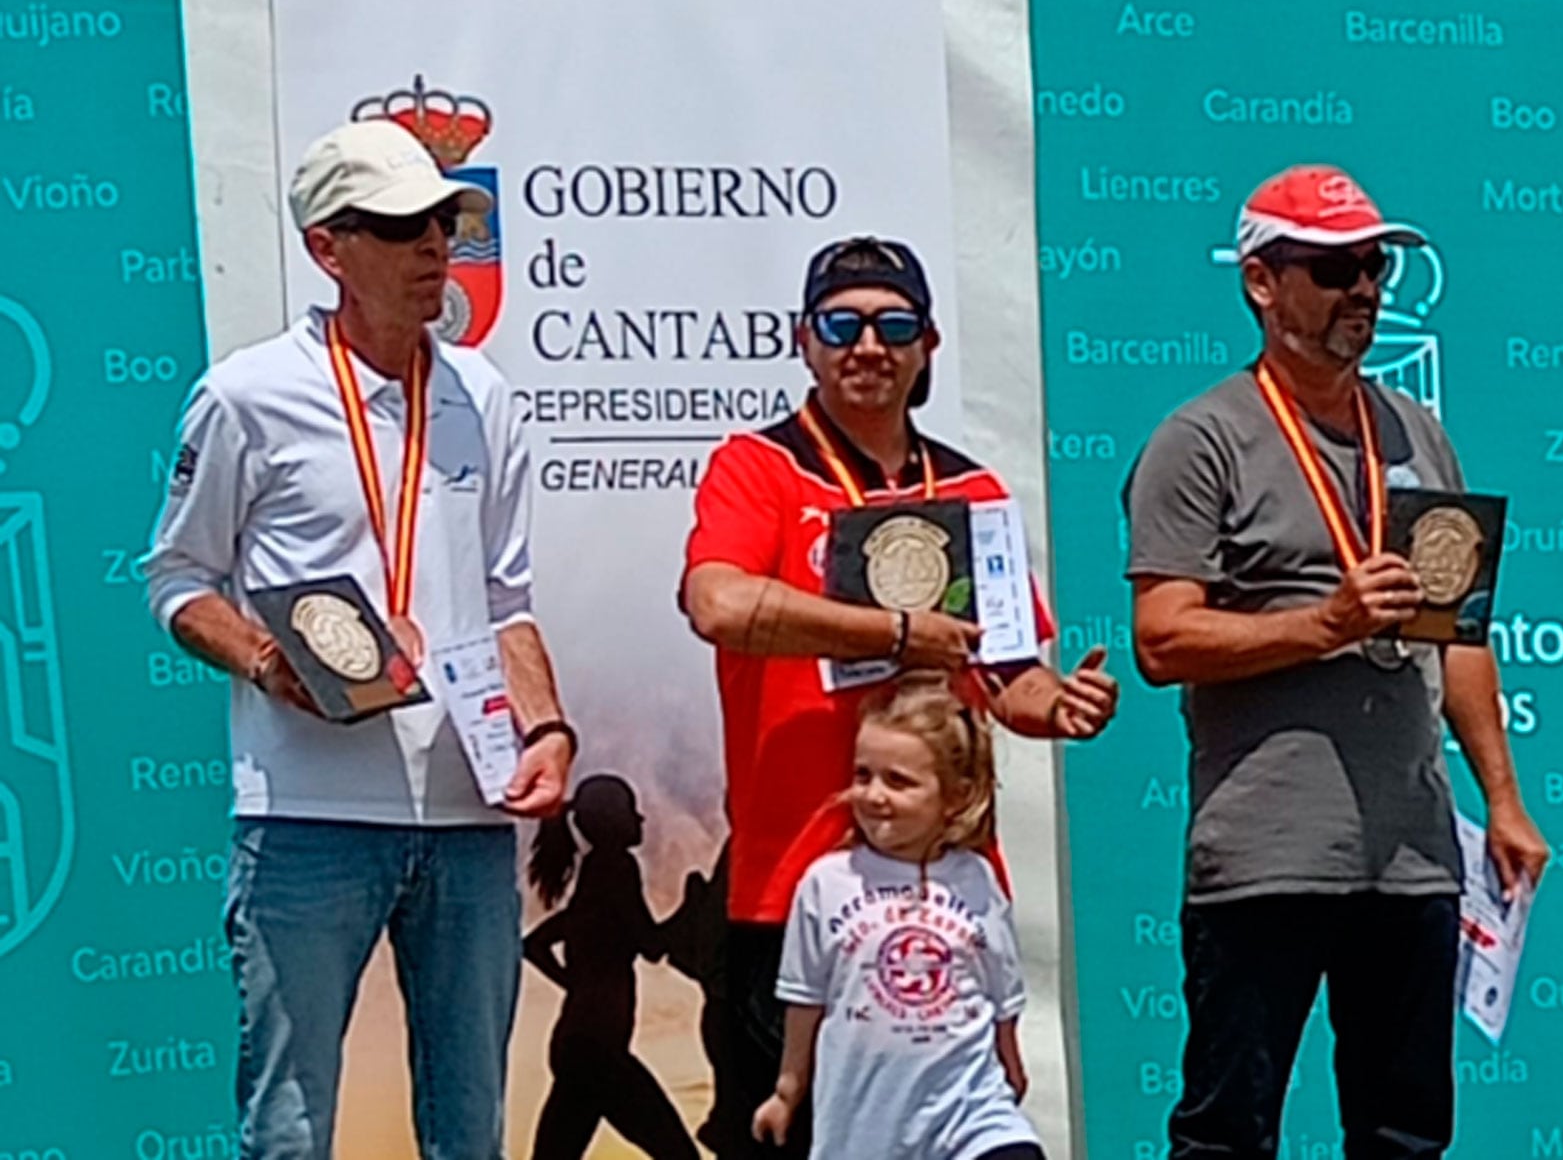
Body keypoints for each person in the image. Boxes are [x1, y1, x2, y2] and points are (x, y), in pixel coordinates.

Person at [144, 118, 576, 1159]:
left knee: (469, 1132)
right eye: (400, 226)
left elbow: (508, 596)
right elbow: (175, 577)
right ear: (328, 247)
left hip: (471, 810)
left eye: (441, 220)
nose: (435, 245)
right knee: (291, 1131)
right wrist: (264, 659)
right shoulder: (247, 393)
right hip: (307, 814)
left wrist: (550, 728)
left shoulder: (488, 395)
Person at [1125, 164, 1550, 1159]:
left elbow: (1462, 632)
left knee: (1404, 1134)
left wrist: (1505, 796)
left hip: (1410, 854)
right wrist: (1325, 622)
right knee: (1228, 1135)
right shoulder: (1201, 440)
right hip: (1265, 849)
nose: (1363, 288)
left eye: (1374, 265)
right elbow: (1162, 637)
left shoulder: (1417, 430)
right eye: (1333, 268)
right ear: (1261, 282)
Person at [680, 236, 1120, 1157]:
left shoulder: (970, 489)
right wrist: (888, 633)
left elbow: (1008, 676)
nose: (867, 345)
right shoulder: (758, 469)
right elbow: (716, 602)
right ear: (805, 339)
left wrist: (1058, 706)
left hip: (944, 895)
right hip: (796, 892)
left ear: (928, 345)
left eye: (893, 324)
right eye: (842, 324)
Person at [751, 673, 1042, 1160]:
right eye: (863, 775)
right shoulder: (828, 882)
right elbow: (806, 999)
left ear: (955, 795)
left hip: (973, 1117)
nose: (875, 795)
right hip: (868, 1124)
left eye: (899, 781)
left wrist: (1011, 1067)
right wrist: (787, 1090)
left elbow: (1000, 995)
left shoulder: (975, 879)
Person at [525, 775, 699, 1160]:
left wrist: (575, 986)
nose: (641, 819)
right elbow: (651, 945)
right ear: (612, 821)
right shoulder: (617, 869)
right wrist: (693, 907)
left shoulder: (593, 881)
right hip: (599, 1050)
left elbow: (536, 945)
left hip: (577, 1044)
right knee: (679, 1154)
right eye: (630, 811)